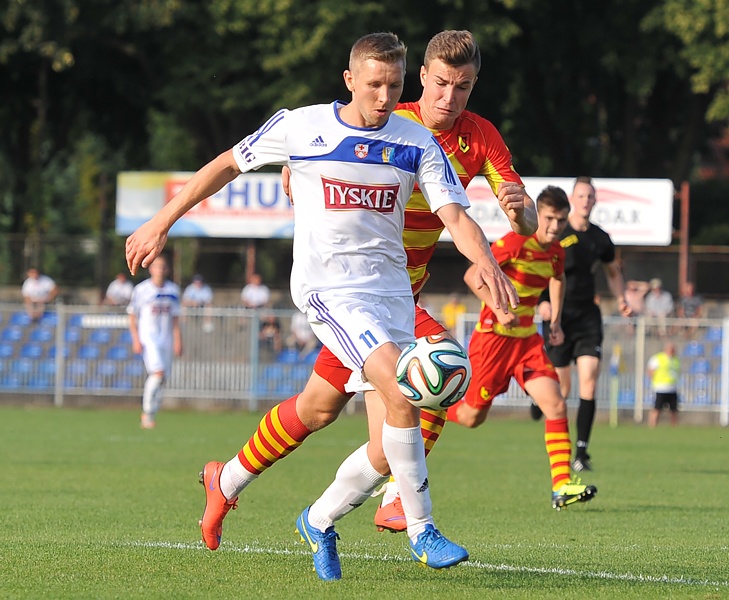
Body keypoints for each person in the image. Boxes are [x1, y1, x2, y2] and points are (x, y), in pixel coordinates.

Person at [124, 32, 522, 581]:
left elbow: (456, 216)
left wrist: (488, 262)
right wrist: (160, 220)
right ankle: (420, 526)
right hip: (331, 292)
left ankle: (255, 492)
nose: (384, 96)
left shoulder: (416, 142)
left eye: (394, 85)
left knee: (325, 414)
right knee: (408, 392)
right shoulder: (302, 126)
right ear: (350, 80)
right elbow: (225, 165)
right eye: (375, 84)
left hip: (392, 298)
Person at [449, 185, 597, 508]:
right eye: (548, 219)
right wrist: (500, 308)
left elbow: (559, 279)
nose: (554, 227)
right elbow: (473, 275)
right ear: (538, 215)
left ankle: (562, 485)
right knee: (472, 416)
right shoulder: (516, 242)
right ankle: (431, 408)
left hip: (527, 342)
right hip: (494, 340)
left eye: (560, 220)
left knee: (556, 405)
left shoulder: (557, 251)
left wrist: (555, 321)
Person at [531, 176, 632, 475]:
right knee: (561, 387)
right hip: (559, 318)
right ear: (572, 200)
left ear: (595, 200)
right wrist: (541, 303)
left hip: (588, 316)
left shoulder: (600, 238)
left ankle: (582, 452)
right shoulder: (557, 233)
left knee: (589, 377)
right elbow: (539, 269)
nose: (586, 200)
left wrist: (622, 298)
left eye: (590, 196)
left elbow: (613, 271)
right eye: (581, 195)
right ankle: (539, 401)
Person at [126, 256, 182, 429]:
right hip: (149, 338)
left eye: (163, 266)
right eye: (156, 266)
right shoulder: (141, 289)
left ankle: (152, 412)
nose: (160, 270)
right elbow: (132, 315)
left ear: (167, 270)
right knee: (157, 373)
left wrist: (178, 340)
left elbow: (175, 318)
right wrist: (135, 339)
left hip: (166, 338)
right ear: (150, 269)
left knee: (162, 377)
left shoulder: (173, 290)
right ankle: (147, 412)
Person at [647, 341, 680, 427]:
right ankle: (652, 426)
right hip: (661, 388)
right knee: (657, 409)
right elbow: (651, 371)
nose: (672, 351)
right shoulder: (658, 358)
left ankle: (674, 428)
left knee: (674, 410)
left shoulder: (676, 359)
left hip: (672, 388)